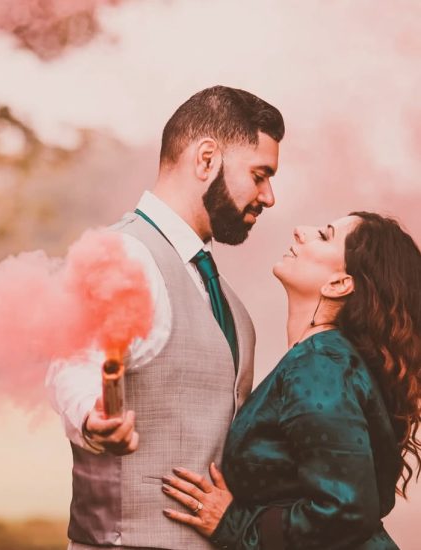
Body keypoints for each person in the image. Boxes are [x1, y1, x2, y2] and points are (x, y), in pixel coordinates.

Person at [46, 85, 285, 549]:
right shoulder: (122, 253)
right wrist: (95, 419)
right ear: (207, 159)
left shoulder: (226, 298)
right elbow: (71, 367)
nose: (269, 196)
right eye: (259, 175)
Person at [161, 212, 421, 549]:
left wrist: (236, 527)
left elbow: (347, 510)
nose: (300, 231)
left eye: (324, 234)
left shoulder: (320, 365)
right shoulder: (328, 361)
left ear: (339, 284)